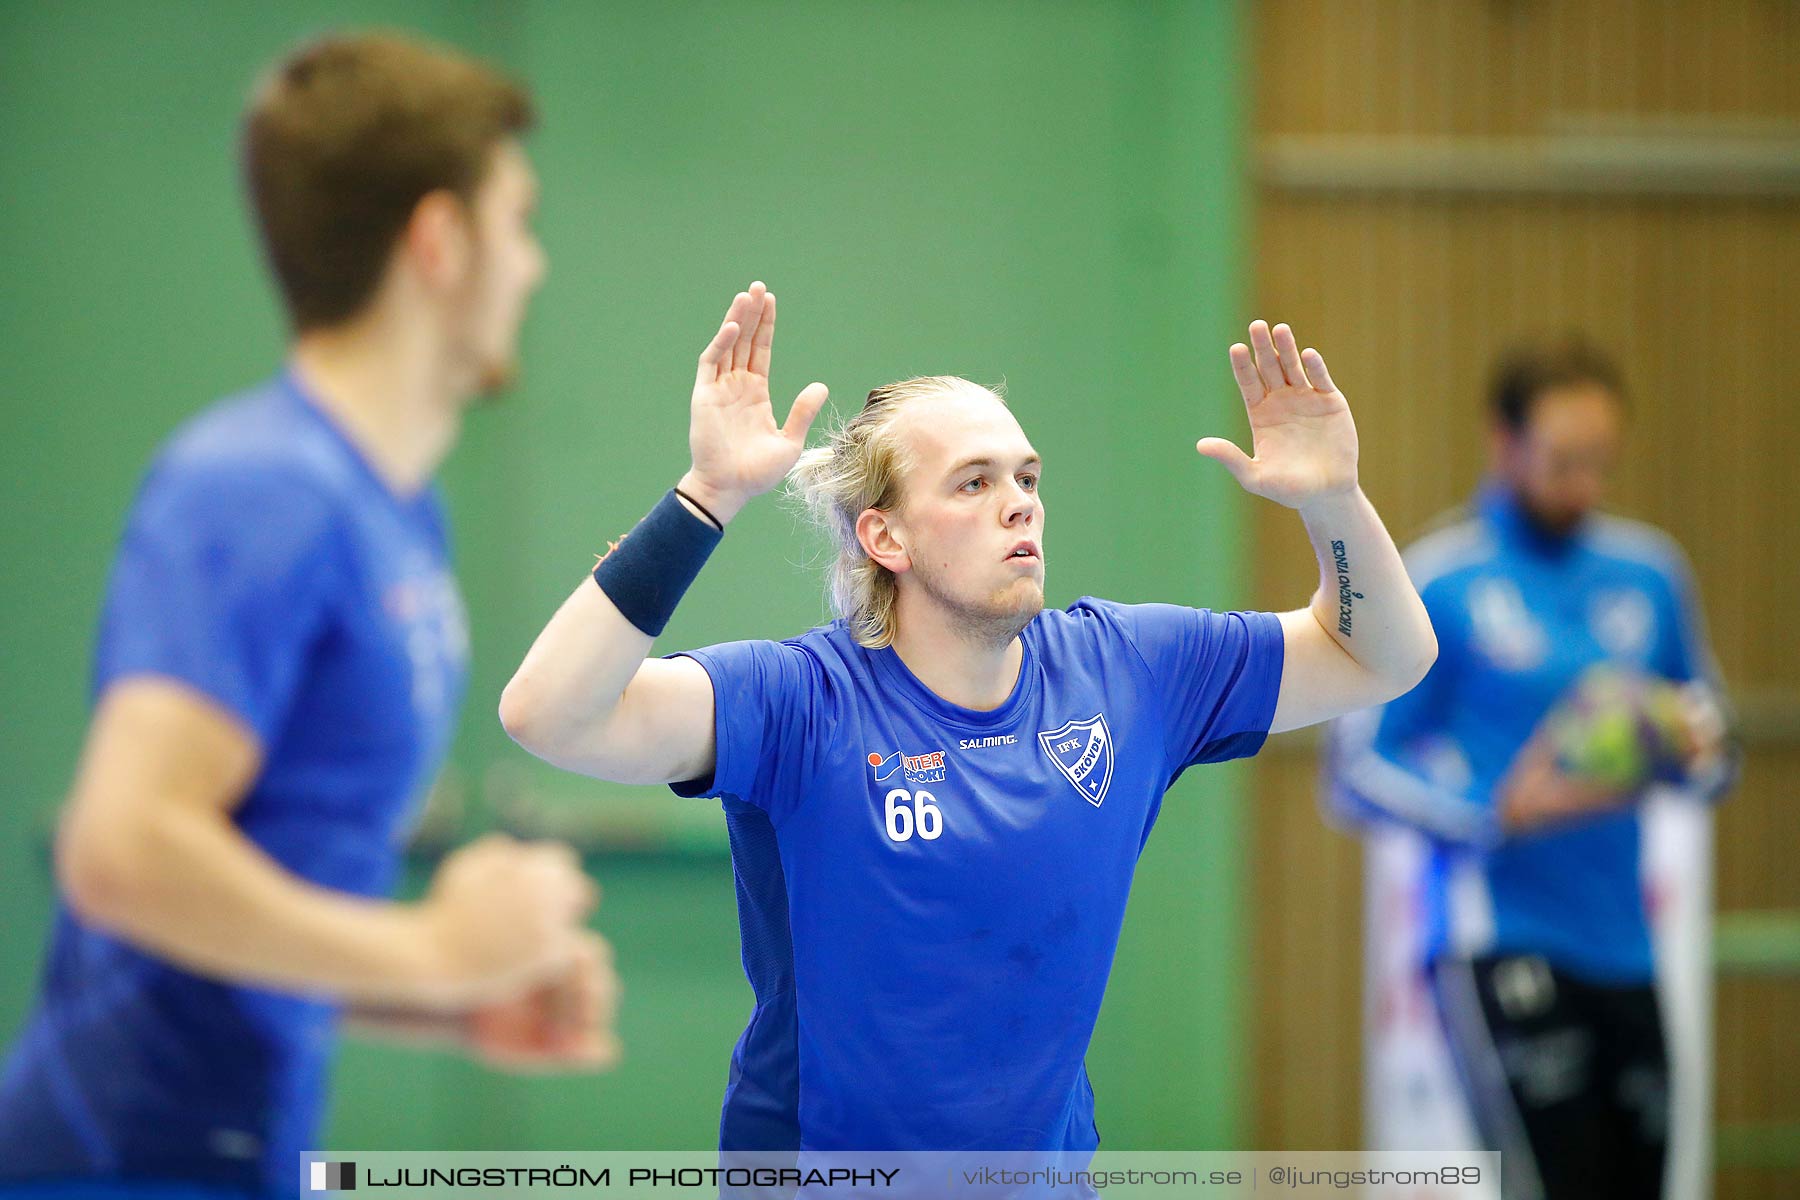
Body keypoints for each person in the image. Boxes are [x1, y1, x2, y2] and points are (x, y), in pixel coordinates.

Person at [499, 281, 1436, 1154]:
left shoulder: (1130, 670)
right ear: (885, 535)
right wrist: (707, 499)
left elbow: (1383, 656)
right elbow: (551, 715)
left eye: (1026, 478)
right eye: (974, 483)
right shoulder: (800, 704)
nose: (1019, 506)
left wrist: (1333, 503)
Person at [0, 33, 618, 1199]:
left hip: (252, 1150)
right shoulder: (256, 485)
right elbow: (122, 851)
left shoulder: (397, 512)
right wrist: (435, 946)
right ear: (439, 242)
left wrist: (448, 1001)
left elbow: (239, 915)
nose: (533, 267)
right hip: (120, 1161)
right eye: (518, 223)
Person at [1325, 338, 1733, 1200]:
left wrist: (1687, 750)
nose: (1582, 483)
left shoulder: (1649, 572)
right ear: (1503, 443)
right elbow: (1358, 767)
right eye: (1561, 460)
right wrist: (1494, 811)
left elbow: (1714, 741)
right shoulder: (1441, 580)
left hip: (1625, 946)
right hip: (1497, 939)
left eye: (1601, 463)